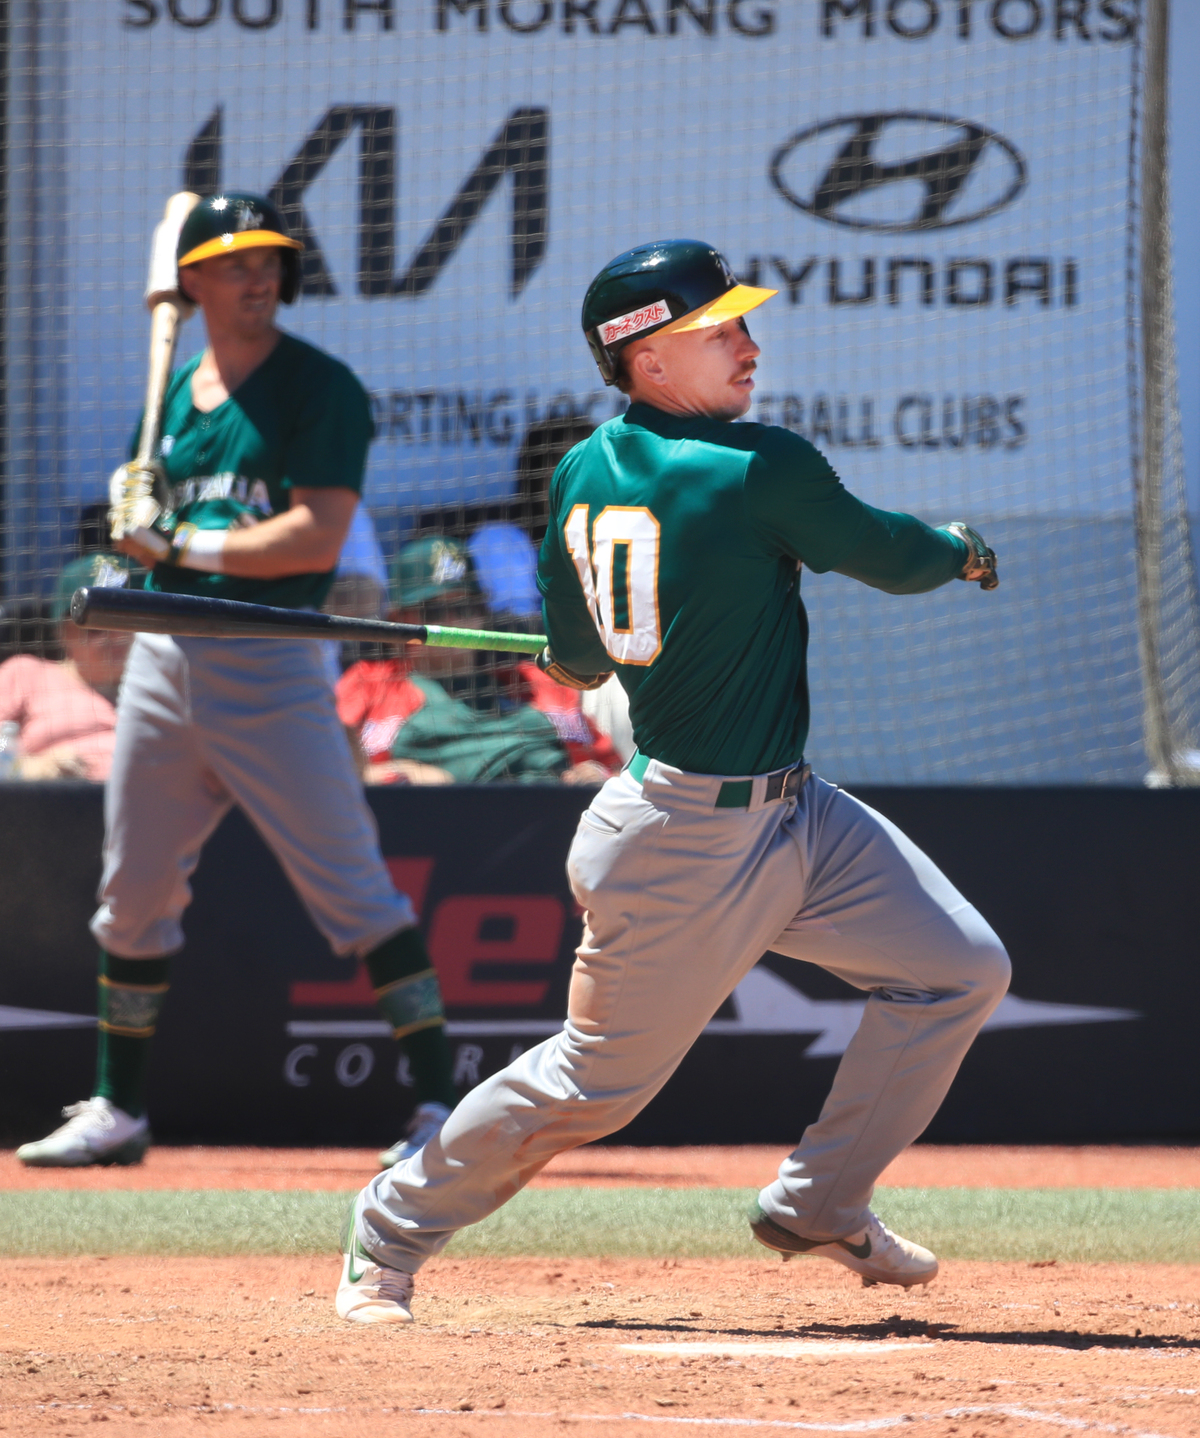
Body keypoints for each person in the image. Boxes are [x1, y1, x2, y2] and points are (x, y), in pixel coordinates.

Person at [336, 238, 1011, 1324]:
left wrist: (579, 650)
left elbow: (577, 660)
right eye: (719, 329)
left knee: (960, 968)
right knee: (593, 1085)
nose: (749, 344)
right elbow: (892, 556)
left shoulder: (579, 469)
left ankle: (821, 1200)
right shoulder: (757, 466)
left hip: (796, 812)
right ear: (647, 360)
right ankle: (391, 1224)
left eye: (742, 323)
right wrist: (959, 545)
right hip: (681, 837)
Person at [17, 193, 456, 1170]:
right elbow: (154, 532)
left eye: (269, 261)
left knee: (356, 892)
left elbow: (316, 537)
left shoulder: (321, 386)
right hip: (163, 657)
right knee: (132, 892)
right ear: (192, 282)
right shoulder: (171, 396)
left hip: (271, 656)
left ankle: (439, 1105)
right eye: (233, 262)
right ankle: (118, 1106)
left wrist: (176, 540)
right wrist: (133, 517)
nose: (257, 277)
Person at [336, 536, 618, 785]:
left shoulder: (538, 681)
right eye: (434, 612)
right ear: (398, 620)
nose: (453, 622)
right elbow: (327, 768)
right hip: (436, 817)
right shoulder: (369, 683)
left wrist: (592, 773)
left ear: (483, 612)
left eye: (464, 608)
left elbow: (612, 767)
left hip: (551, 809)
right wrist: (396, 775)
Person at [0, 554, 136, 782]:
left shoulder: (171, 685)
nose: (115, 636)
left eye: (126, 622)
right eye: (96, 627)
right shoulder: (26, 674)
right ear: (62, 631)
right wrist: (23, 768)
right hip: (56, 800)